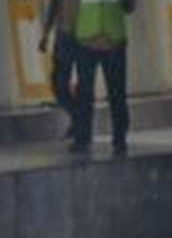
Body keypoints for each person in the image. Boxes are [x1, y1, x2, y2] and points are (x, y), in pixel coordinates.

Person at [71, 0, 136, 155]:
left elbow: (130, 6)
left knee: (116, 92)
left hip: (107, 37)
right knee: (88, 93)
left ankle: (118, 138)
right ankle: (85, 138)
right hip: (89, 37)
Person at [38, 0, 79, 139]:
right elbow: (53, 7)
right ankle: (78, 118)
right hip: (65, 36)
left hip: (81, 36)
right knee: (59, 83)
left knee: (72, 83)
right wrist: (45, 34)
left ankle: (80, 122)